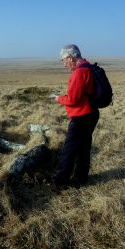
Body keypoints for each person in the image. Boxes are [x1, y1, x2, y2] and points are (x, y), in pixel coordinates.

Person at [50, 44, 99, 188]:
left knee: (69, 150)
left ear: (70, 58)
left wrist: (58, 98)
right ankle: (80, 178)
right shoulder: (88, 67)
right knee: (84, 148)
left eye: (63, 60)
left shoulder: (78, 73)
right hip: (91, 114)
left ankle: (60, 182)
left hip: (81, 117)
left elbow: (72, 100)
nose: (63, 64)